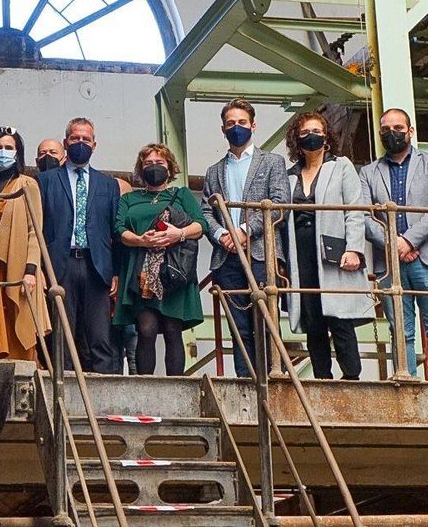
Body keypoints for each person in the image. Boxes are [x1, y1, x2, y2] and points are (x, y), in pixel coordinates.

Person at [361, 108, 428, 382]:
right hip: (389, 262)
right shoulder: (368, 172)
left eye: (398, 128)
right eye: (385, 129)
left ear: (411, 131)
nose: (391, 133)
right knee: (400, 331)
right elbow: (363, 216)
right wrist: (393, 243)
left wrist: (408, 240)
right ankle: (406, 387)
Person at [199, 99, 287, 377]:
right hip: (227, 257)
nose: (236, 128)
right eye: (231, 123)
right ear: (223, 129)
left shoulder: (272, 162)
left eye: (242, 122)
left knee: (264, 320)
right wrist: (221, 234)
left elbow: (279, 204)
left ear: (253, 125)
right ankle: (245, 381)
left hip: (260, 253)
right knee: (238, 326)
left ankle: (271, 379)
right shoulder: (214, 171)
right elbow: (205, 211)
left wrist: (245, 230)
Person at [281, 110, 371, 380]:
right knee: (313, 319)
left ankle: (352, 377)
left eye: (317, 132)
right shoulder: (289, 175)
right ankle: (322, 379)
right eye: (305, 132)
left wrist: (354, 248)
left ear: (327, 137)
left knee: (340, 317)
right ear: (297, 139)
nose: (311, 136)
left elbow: (355, 210)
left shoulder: (341, 166)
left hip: (333, 253)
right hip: (301, 254)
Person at [113, 144, 205, 376]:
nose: (154, 167)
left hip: (173, 271)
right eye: (148, 164)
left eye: (159, 163)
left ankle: (177, 386)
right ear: (140, 169)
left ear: (170, 168)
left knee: (173, 330)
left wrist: (178, 233)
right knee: (146, 329)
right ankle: (146, 385)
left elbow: (200, 225)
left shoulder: (181, 194)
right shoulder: (130, 198)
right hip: (141, 272)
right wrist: (140, 240)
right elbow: (119, 229)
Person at [37, 117, 120, 373]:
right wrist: (40, 268)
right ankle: (63, 386)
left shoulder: (108, 184)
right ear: (65, 142)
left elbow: (115, 231)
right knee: (62, 332)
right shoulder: (46, 181)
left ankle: (103, 389)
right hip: (61, 264)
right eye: (75, 138)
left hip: (97, 265)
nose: (80, 143)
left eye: (86, 139)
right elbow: (39, 227)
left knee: (99, 335)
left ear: (94, 145)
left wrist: (115, 270)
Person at [0, 127, 49, 361]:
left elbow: (35, 231)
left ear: (18, 152)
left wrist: (31, 270)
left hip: (18, 264)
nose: (3, 152)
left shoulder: (27, 184)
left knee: (20, 318)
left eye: (8, 148)